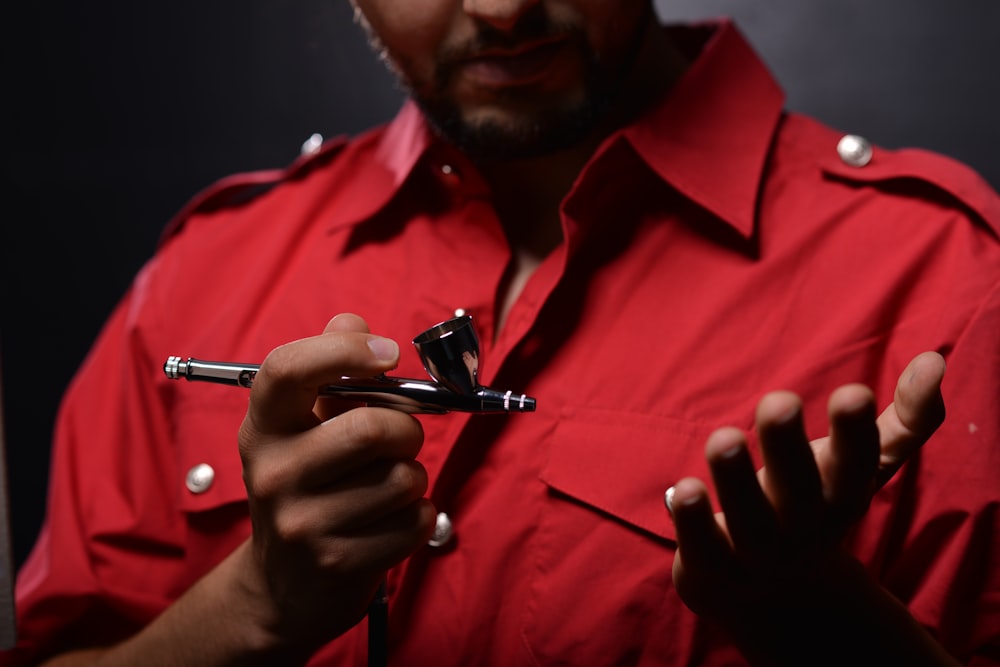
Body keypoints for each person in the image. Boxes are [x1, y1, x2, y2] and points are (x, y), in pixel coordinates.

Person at [3, 1, 998, 665]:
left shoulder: (946, 277)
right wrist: (255, 602)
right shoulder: (206, 268)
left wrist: (824, 623)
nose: (500, 5)